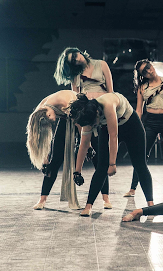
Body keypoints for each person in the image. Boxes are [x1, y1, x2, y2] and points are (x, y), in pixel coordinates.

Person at [68, 93, 154, 217]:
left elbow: (114, 136)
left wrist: (112, 163)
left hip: (131, 126)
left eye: (93, 124)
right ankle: (88, 205)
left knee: (140, 165)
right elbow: (84, 144)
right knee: (101, 167)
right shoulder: (87, 114)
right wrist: (77, 171)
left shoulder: (108, 104)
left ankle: (150, 205)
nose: (93, 127)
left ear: (97, 113)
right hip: (107, 129)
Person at [54, 47, 115, 207]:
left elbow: (111, 91)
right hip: (86, 112)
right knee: (87, 147)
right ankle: (78, 172)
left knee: (101, 156)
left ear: (79, 52)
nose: (76, 59)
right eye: (72, 61)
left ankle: (106, 198)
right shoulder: (76, 75)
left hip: (102, 110)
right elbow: (75, 98)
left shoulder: (101, 64)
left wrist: (108, 114)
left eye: (75, 55)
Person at [123, 60, 163, 197]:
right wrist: (135, 127)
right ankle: (132, 189)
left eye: (148, 67)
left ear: (152, 65)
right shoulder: (142, 87)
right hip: (150, 122)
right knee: (141, 156)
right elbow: (139, 110)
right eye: (144, 71)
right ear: (142, 75)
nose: (148, 71)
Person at [26, 90, 81, 210]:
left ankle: (105, 198)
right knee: (54, 162)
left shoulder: (65, 102)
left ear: (47, 111)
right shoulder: (39, 112)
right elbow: (41, 139)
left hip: (80, 117)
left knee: (93, 156)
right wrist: (45, 162)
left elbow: (79, 124)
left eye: (50, 117)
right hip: (65, 118)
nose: (53, 120)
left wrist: (87, 144)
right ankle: (42, 199)